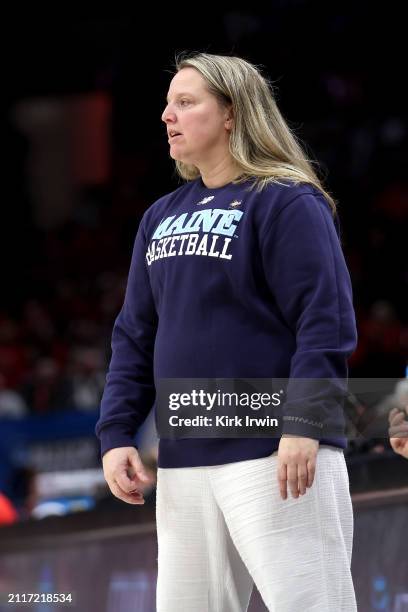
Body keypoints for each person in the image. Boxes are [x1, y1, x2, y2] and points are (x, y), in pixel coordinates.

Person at [96, 52, 358, 611]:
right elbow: (133, 335)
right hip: (185, 455)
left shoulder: (287, 200)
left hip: (275, 449)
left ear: (232, 114)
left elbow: (324, 320)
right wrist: (116, 432)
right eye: (167, 105)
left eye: (186, 103)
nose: (168, 116)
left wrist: (304, 424)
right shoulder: (159, 216)